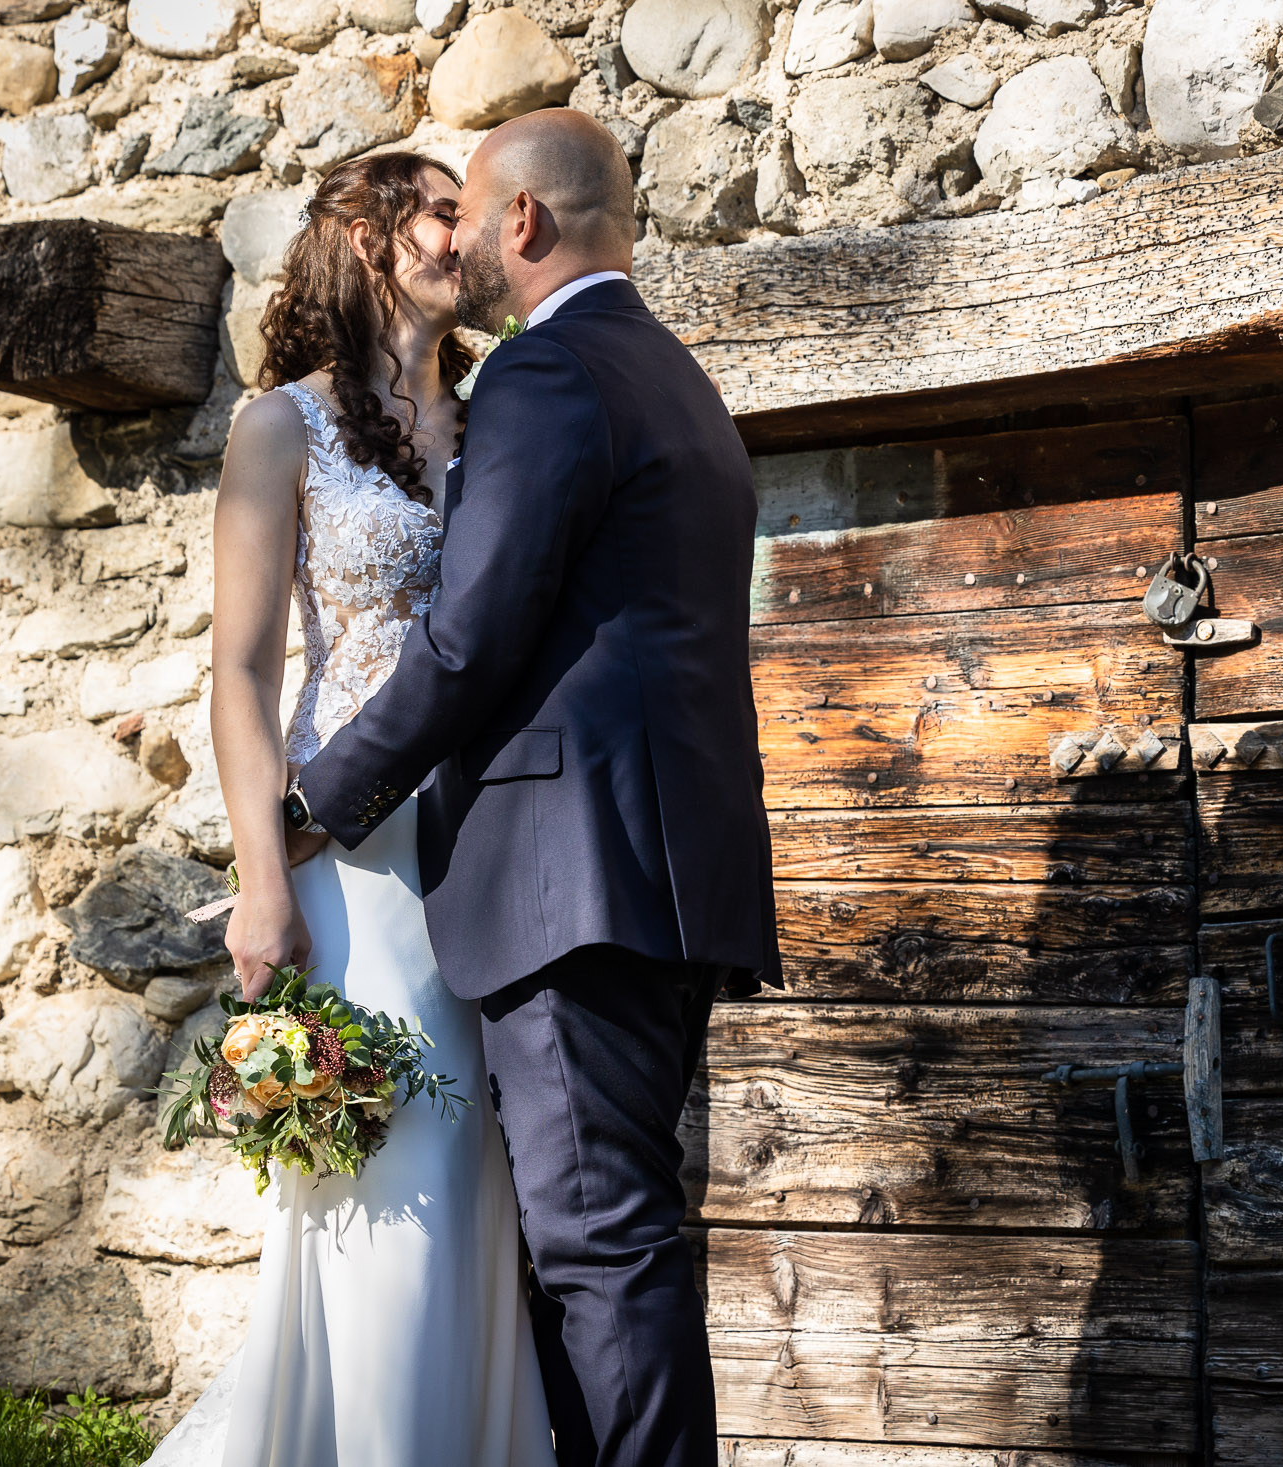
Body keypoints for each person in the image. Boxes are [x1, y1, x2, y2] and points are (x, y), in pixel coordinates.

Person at [274, 109, 780, 1467]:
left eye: (474, 213)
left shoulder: (548, 376)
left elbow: (477, 630)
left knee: (599, 1250)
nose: (463, 245)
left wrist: (317, 800)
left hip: (572, 884)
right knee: (620, 1240)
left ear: (525, 225)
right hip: (669, 876)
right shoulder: (674, 377)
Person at [144, 150, 556, 1467]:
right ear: (373, 240)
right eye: (444, 209)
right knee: (397, 1184)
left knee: (485, 1188)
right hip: (358, 864)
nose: (469, 232)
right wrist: (264, 879)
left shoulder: (500, 424)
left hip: (497, 846)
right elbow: (242, 672)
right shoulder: (287, 429)